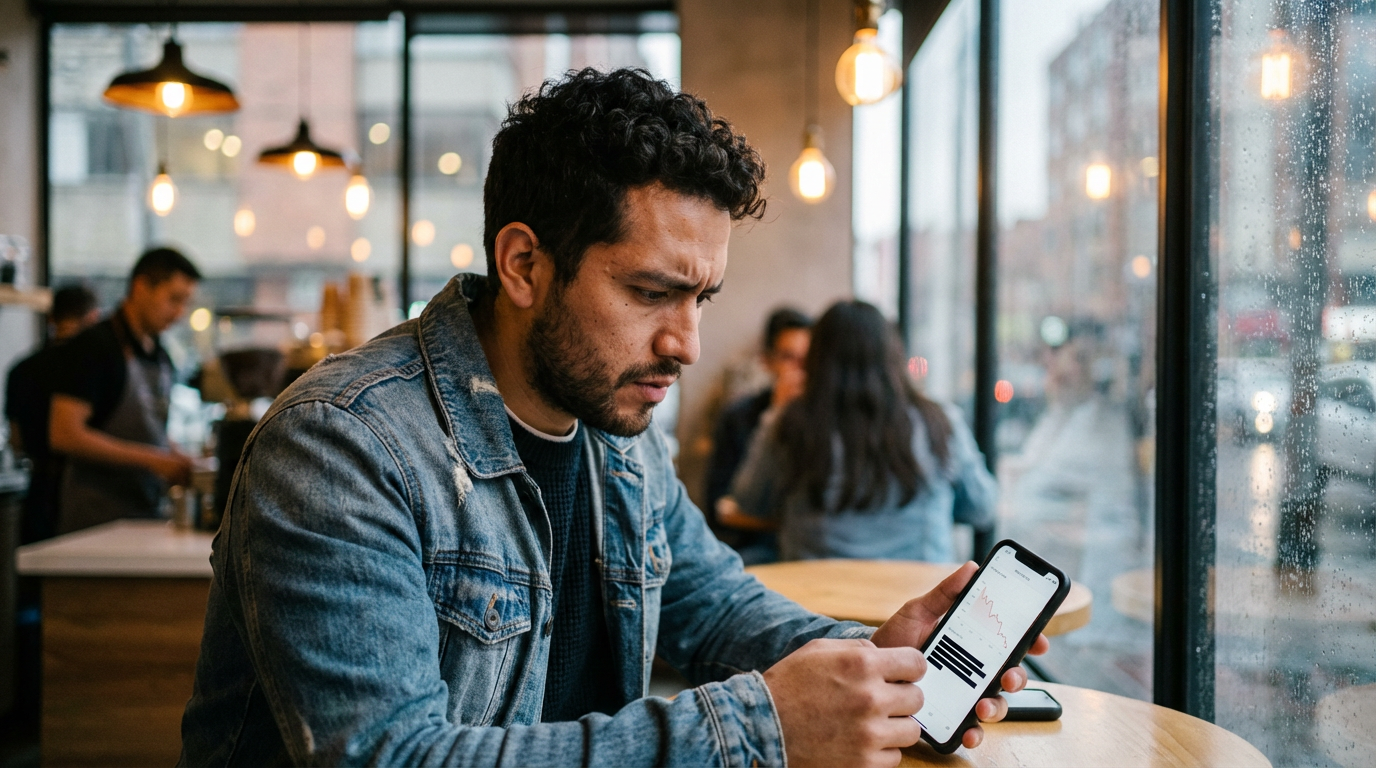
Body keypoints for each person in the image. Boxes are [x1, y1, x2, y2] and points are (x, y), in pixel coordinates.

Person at [179, 69, 1044, 768]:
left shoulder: (616, 434)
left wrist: (871, 657)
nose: (687, 344)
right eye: (650, 293)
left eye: (702, 298)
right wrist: (761, 729)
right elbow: (392, 756)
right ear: (523, 264)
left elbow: (714, 607)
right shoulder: (342, 446)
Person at [728, 300, 998, 562]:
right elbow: (982, 507)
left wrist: (775, 413)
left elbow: (749, 501)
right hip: (923, 595)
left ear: (817, 357)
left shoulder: (791, 422)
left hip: (819, 599)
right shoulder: (939, 422)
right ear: (893, 353)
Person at [48, 247, 199, 534]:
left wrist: (176, 457)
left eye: (185, 303)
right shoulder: (95, 346)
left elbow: (149, 426)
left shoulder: (160, 355)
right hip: (93, 523)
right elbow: (64, 434)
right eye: (174, 299)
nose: (179, 313)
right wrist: (154, 460)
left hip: (144, 513)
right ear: (141, 287)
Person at [704, 308, 810, 563]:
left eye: (808, 360)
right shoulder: (740, 416)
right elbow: (719, 504)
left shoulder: (829, 418)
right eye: (788, 358)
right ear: (767, 361)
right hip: (757, 546)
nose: (800, 371)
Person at [5, 285, 100, 543]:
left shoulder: (21, 370)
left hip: (35, 487)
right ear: (92, 317)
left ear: (51, 318)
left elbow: (16, 441)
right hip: (84, 488)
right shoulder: (90, 367)